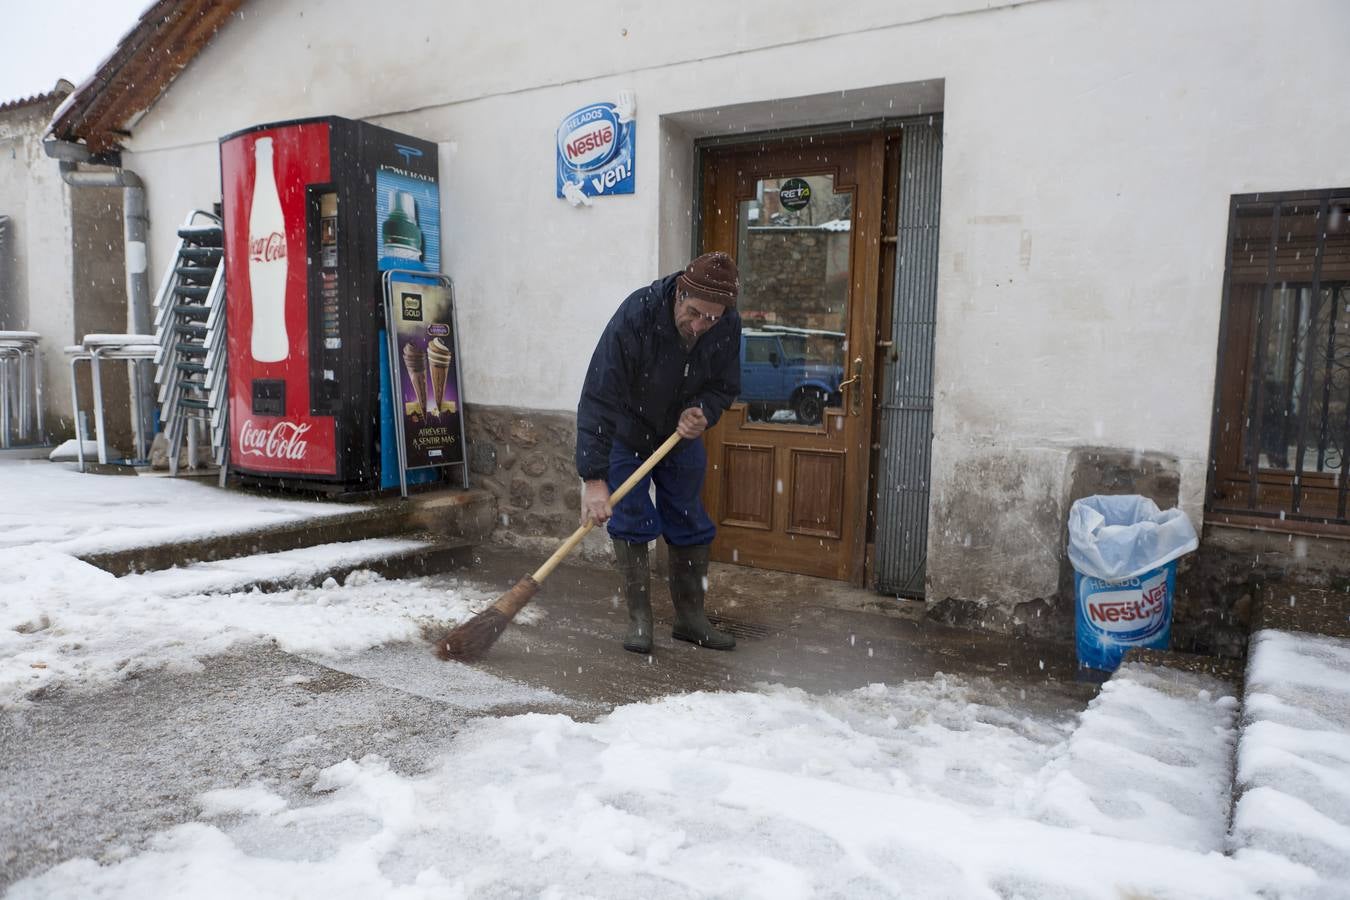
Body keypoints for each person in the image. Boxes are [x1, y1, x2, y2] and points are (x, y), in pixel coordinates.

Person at [575, 251, 743, 654]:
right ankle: (640, 620)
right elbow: (600, 393)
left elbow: (724, 385)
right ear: (680, 294)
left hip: (679, 436)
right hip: (627, 433)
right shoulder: (638, 314)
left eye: (712, 318)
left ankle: (690, 619)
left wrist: (704, 411)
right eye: (696, 313)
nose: (702, 325)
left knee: (688, 518)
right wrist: (594, 479)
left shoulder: (726, 324)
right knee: (631, 516)